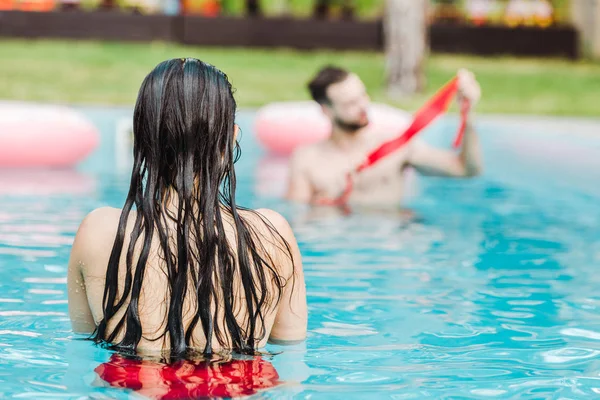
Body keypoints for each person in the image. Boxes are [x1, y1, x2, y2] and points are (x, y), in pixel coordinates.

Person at [68, 58, 307, 356]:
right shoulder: (273, 233)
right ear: (230, 138)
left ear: (142, 136)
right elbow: (292, 351)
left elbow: (84, 344)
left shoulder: (99, 231)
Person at [286, 66, 483, 207]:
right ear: (326, 110)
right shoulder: (306, 158)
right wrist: (322, 204)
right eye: (350, 103)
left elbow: (466, 169)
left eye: (363, 96)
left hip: (391, 247)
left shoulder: (395, 146)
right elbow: (296, 217)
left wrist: (469, 114)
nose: (363, 106)